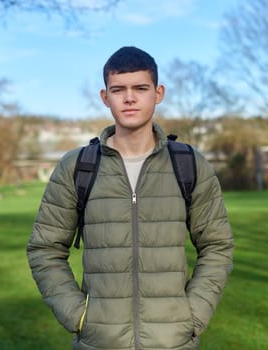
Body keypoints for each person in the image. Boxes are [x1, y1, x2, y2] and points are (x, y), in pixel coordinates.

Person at [26, 46, 234, 350]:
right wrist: (78, 316)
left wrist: (193, 315)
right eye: (118, 89)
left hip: (172, 342)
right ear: (104, 96)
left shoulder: (188, 163)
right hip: (100, 342)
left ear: (158, 93)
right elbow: (44, 248)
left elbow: (217, 245)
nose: (129, 98)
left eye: (140, 88)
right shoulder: (77, 167)